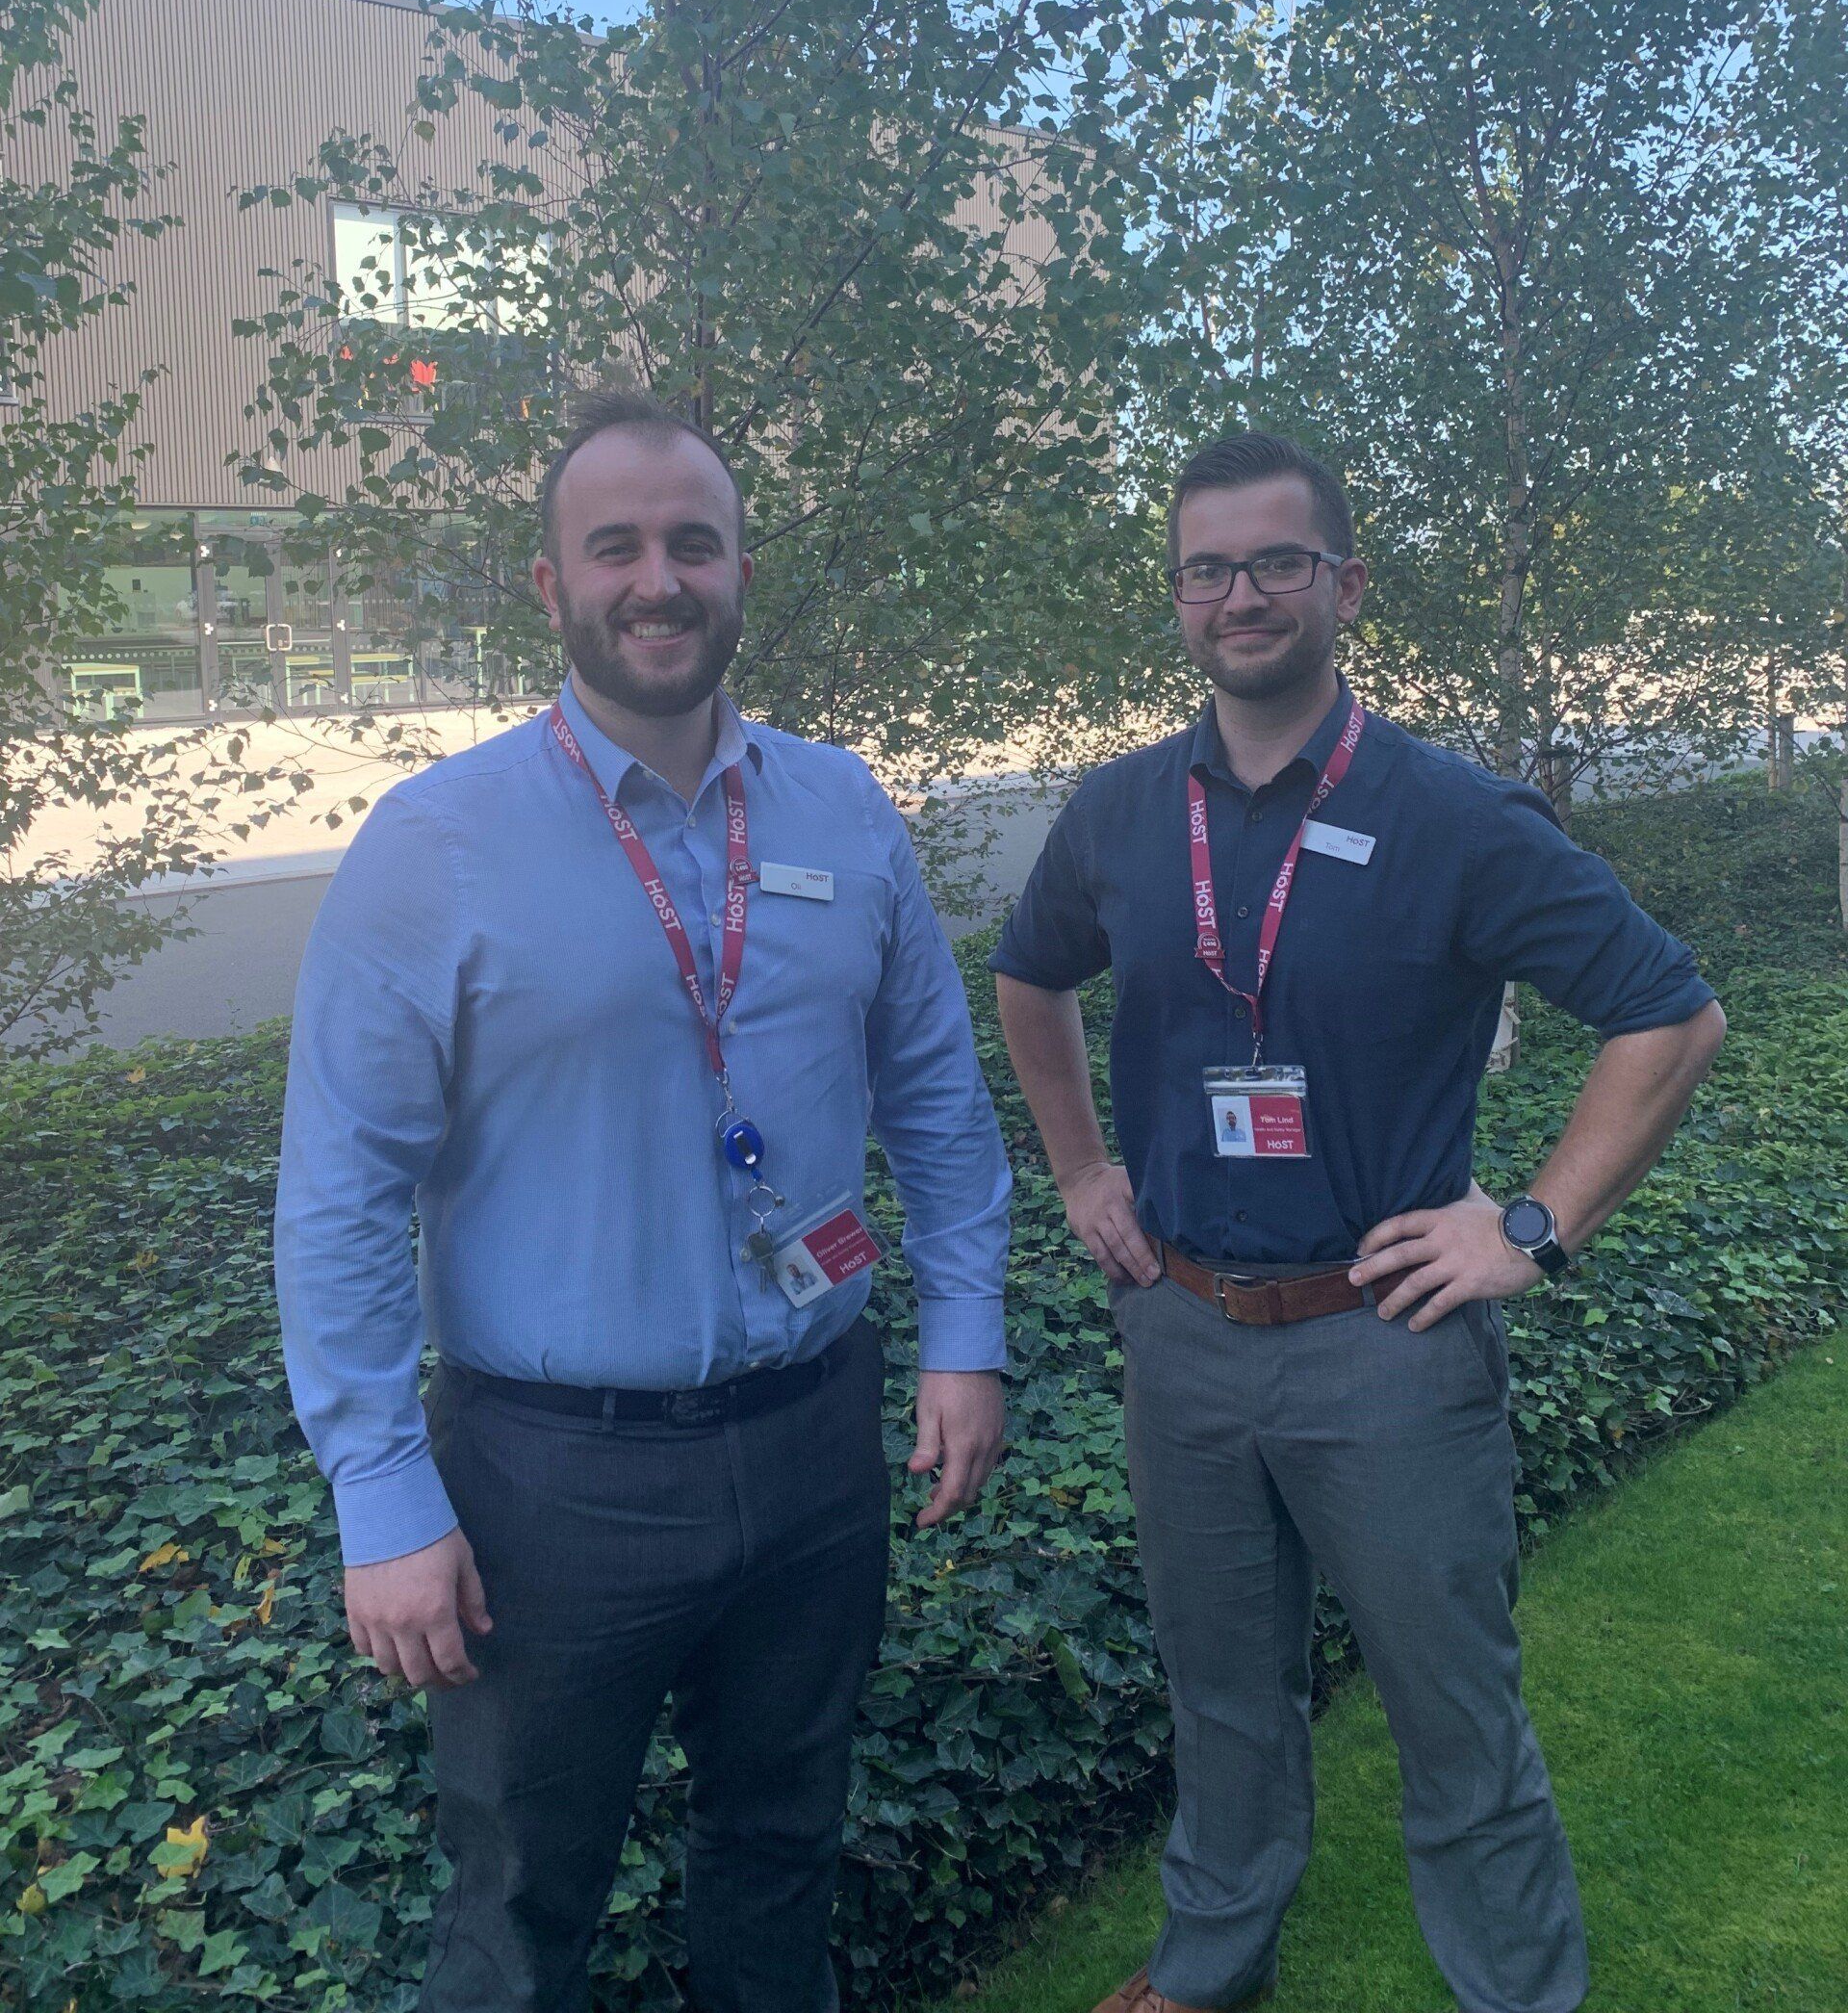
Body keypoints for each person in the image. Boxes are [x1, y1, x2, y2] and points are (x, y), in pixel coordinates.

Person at [274, 381, 1011, 2013]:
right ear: (551, 584)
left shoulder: (844, 810)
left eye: (695, 542)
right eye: (615, 546)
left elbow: (943, 1109)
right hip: (552, 1486)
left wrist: (966, 1340)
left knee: (783, 1844)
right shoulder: (433, 845)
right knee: (525, 1904)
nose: (657, 578)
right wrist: (381, 1492)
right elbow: (342, 1190)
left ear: (744, 568)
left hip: (817, 1449)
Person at [991, 431, 1726, 2013]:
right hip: (1184, 1334)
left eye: (1274, 563)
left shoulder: (1452, 813)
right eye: (1207, 569)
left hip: (1385, 1347)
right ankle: (1207, 1968)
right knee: (1223, 1698)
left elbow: (1667, 1014)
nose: (1238, 596)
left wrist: (1528, 1226)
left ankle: (1516, 1995)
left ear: (1343, 583)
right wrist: (1080, 1173)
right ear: (1176, 595)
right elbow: (1028, 976)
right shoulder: (1121, 812)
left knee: (1455, 1719)